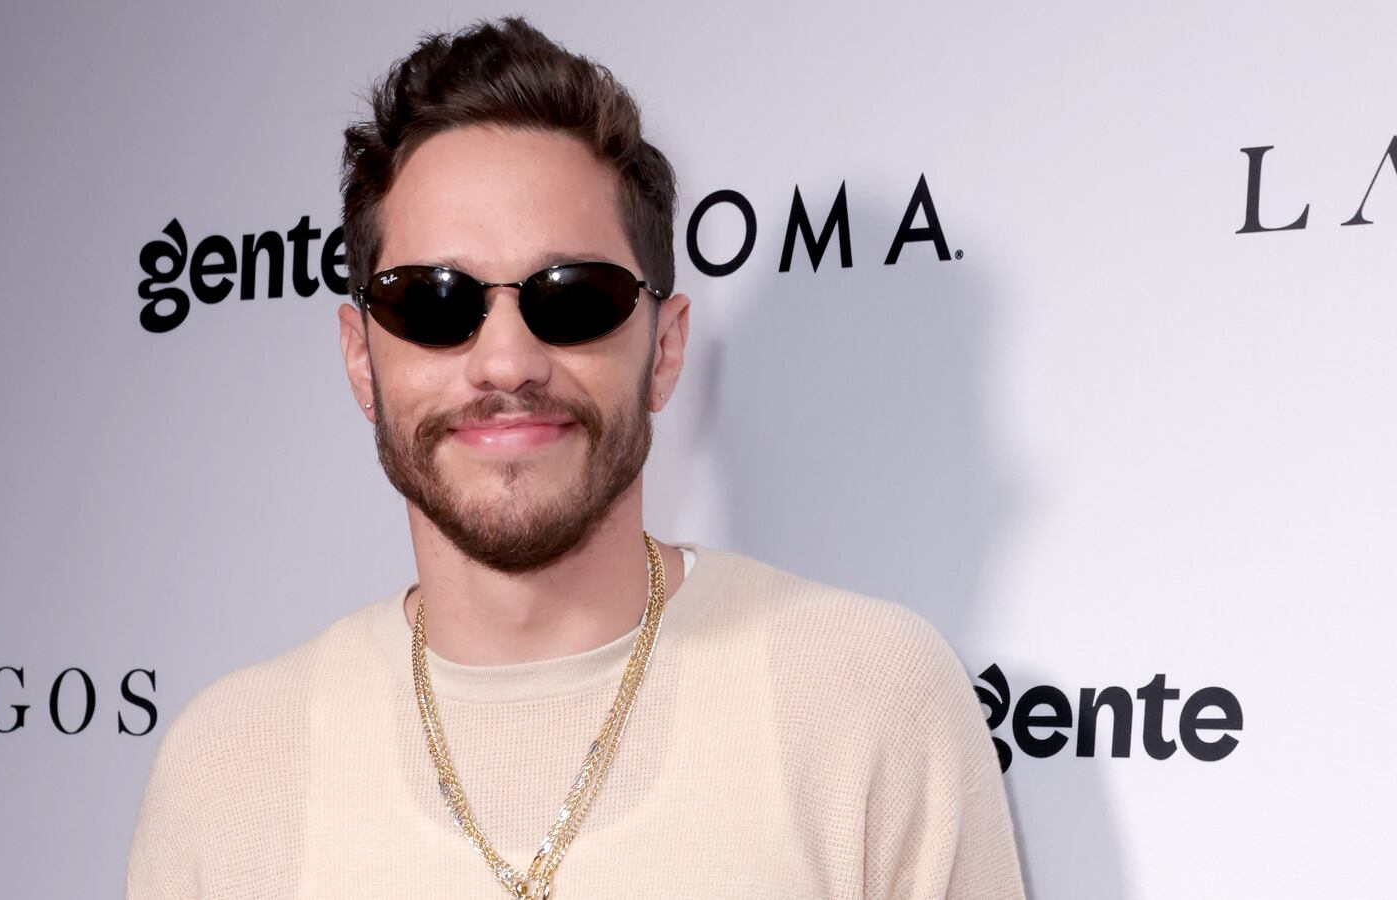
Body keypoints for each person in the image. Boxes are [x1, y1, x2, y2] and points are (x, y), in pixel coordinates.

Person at [126, 16, 1025, 900]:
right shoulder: (227, 770)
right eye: (435, 302)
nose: (507, 361)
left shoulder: (871, 702)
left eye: (574, 297)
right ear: (362, 359)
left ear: (664, 349)